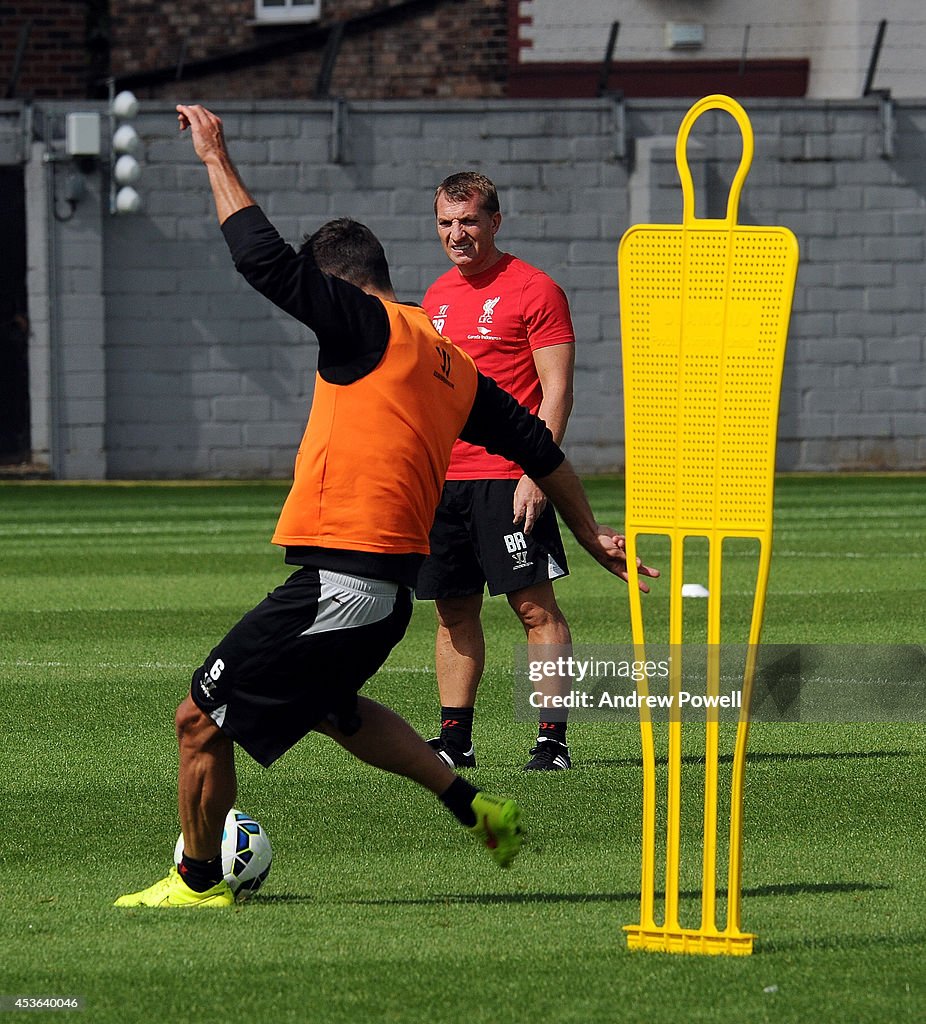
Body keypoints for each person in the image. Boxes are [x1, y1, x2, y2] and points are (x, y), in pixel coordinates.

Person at [114, 105, 658, 908]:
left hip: (343, 580)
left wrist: (214, 156)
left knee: (198, 718)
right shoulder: (450, 357)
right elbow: (540, 450)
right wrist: (593, 533)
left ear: (340, 285)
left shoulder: (364, 322)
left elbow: (263, 262)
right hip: (385, 596)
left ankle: (197, 881)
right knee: (334, 710)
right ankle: (473, 805)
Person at [416, 171, 578, 772]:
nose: (457, 234)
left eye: (469, 221)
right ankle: (455, 740)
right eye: (446, 223)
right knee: (452, 609)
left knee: (534, 609)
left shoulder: (535, 290)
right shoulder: (434, 298)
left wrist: (538, 471)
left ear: (495, 222)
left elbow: (557, 393)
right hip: (444, 482)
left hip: (510, 478)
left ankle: (551, 743)